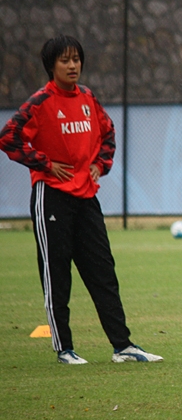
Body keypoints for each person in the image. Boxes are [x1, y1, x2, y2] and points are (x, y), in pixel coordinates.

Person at [0, 35, 163, 365]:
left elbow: (108, 132)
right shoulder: (40, 102)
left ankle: (123, 346)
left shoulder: (88, 97)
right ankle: (65, 349)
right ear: (51, 66)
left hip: (87, 197)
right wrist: (44, 164)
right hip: (52, 198)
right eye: (65, 60)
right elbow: (8, 137)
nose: (73, 65)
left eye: (76, 59)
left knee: (103, 272)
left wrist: (99, 165)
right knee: (57, 274)